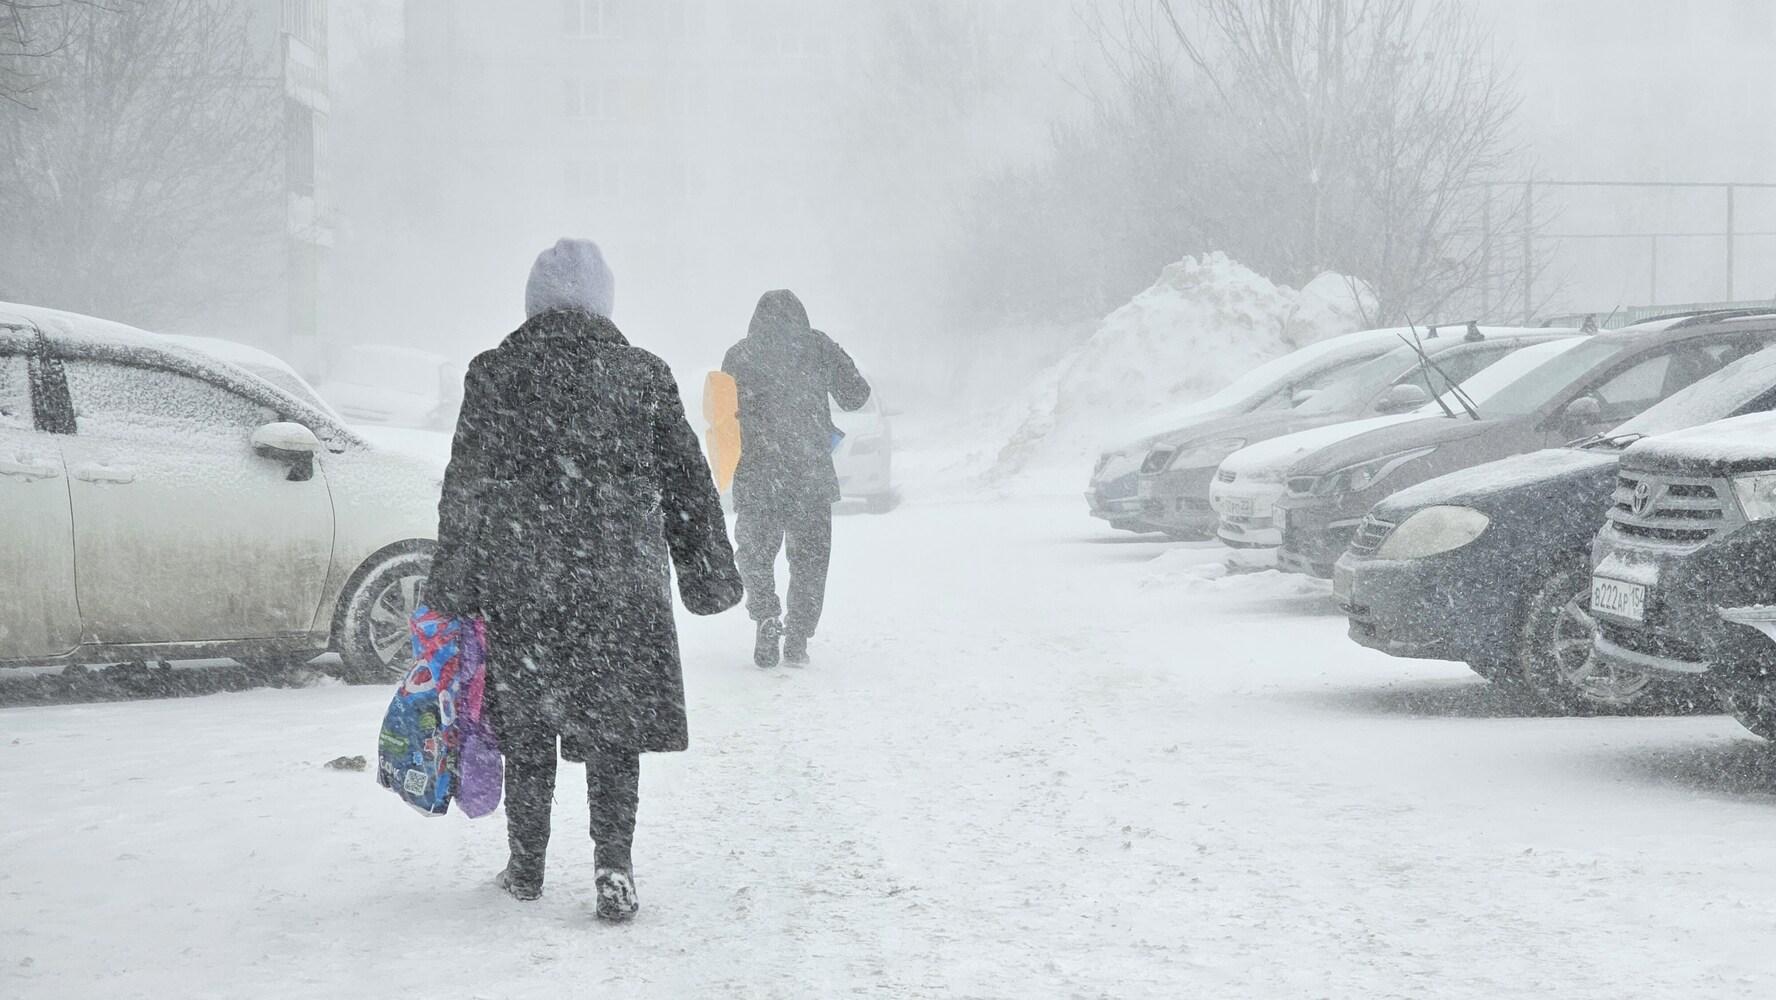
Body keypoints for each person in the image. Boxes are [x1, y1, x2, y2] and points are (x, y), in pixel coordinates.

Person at [427, 238, 743, 922]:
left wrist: (452, 582)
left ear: (533, 301)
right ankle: (613, 867)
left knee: (530, 726)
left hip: (524, 577)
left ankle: (527, 866)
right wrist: (705, 572)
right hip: (618, 579)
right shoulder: (643, 375)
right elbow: (688, 482)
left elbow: (466, 487)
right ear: (604, 302)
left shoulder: (495, 373)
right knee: (614, 726)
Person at [721, 290, 871, 668]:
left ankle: (767, 618)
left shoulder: (739, 355)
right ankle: (799, 636)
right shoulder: (817, 346)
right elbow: (857, 395)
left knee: (754, 556)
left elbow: (722, 418)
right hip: (809, 475)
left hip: (758, 474)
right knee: (810, 561)